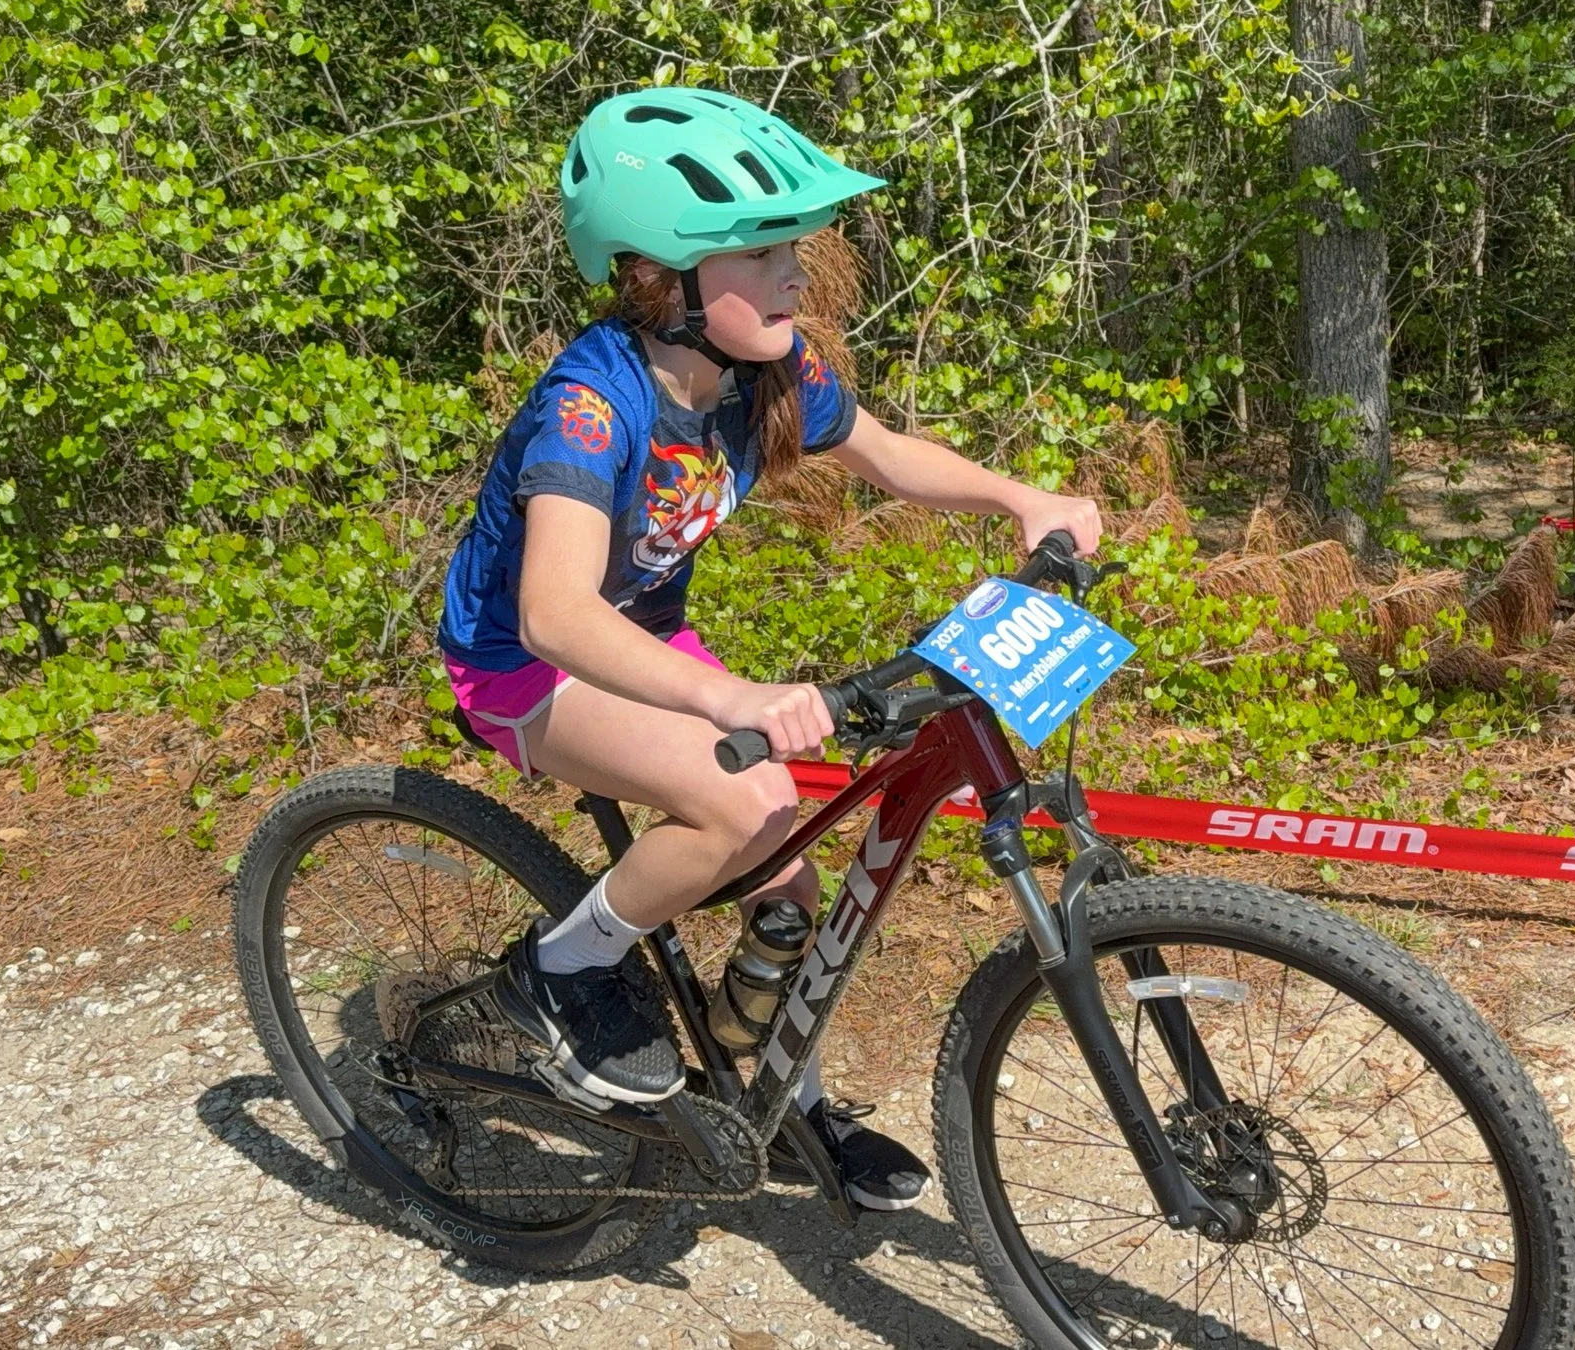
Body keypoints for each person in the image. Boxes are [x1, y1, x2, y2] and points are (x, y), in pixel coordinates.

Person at [435, 87, 1100, 1210]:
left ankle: (777, 1095)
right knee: (743, 805)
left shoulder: (768, 373)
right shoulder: (591, 409)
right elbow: (552, 612)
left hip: (642, 636)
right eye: (762, 247)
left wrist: (1019, 496)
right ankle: (556, 968)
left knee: (788, 896)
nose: (798, 268)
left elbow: (887, 456)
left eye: (791, 241)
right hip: (522, 662)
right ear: (663, 276)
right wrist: (732, 690)